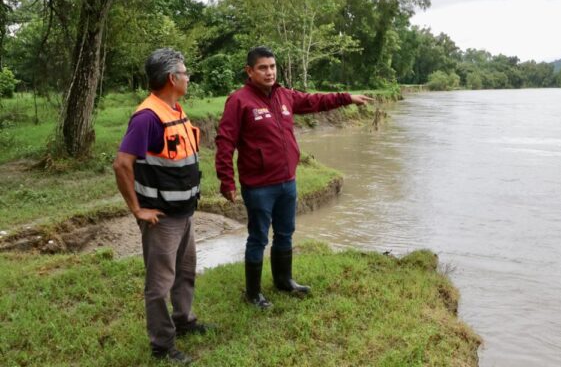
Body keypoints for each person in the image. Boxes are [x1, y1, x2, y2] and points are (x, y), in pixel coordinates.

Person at [215, 46, 373, 308]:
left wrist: (347, 97)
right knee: (258, 237)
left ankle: (284, 280)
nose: (269, 72)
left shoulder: (284, 96)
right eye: (263, 68)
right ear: (250, 71)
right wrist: (226, 180)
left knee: (286, 233)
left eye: (272, 67)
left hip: (287, 181)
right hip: (258, 186)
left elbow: (315, 101)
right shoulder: (239, 101)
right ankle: (253, 294)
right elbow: (224, 142)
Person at [113, 48, 211, 364]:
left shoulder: (173, 110)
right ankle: (162, 345)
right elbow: (121, 164)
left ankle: (184, 320)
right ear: (172, 78)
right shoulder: (148, 117)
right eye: (185, 73)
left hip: (184, 213)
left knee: (185, 271)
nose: (188, 77)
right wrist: (137, 210)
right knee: (159, 284)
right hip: (161, 218)